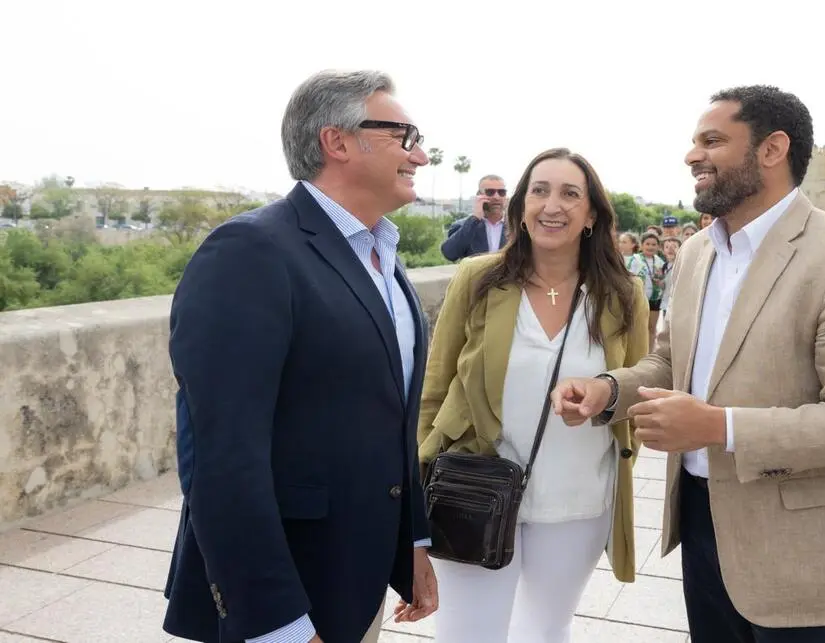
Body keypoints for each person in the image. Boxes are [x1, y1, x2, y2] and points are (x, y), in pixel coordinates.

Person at [551, 85, 825, 643]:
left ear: (771, 150)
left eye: (712, 141)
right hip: (702, 524)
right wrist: (609, 390)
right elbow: (672, 362)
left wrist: (719, 427)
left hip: (806, 547)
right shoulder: (699, 252)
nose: (692, 155)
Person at [162, 70, 438, 643]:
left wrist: (409, 544)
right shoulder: (249, 252)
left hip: (355, 581)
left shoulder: (382, 255)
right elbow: (220, 459)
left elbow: (390, 420)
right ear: (336, 142)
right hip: (286, 593)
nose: (422, 154)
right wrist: (276, 623)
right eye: (404, 135)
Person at [418, 147, 649, 642]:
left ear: (591, 215)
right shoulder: (476, 278)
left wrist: (601, 398)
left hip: (578, 498)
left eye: (570, 194)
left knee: (545, 630)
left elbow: (637, 387)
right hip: (473, 490)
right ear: (522, 206)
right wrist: (417, 480)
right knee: (468, 634)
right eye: (540, 191)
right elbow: (434, 389)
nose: (553, 205)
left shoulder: (622, 294)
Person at [441, 175, 509, 261]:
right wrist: (475, 219)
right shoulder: (463, 226)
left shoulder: (517, 226)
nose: (496, 197)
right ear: (479, 195)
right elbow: (450, 254)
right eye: (490, 192)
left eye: (501, 192)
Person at [626, 231, 667, 350]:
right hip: (637, 298)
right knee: (637, 327)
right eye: (647, 244)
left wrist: (660, 283)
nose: (650, 247)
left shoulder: (660, 262)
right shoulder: (634, 259)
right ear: (641, 245)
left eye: (654, 244)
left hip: (655, 298)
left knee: (651, 327)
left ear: (658, 247)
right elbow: (627, 278)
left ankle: (649, 353)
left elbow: (665, 283)